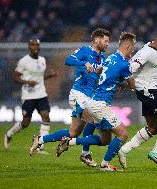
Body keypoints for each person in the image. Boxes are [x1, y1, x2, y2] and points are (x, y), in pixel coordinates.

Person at [56, 32, 136, 172]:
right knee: (123, 134)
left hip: (93, 102)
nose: (133, 50)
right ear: (128, 46)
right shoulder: (124, 64)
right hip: (100, 105)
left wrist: (117, 83)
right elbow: (133, 86)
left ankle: (71, 141)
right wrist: (128, 84)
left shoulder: (109, 58)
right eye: (133, 47)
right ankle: (104, 165)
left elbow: (99, 72)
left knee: (105, 140)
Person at [29, 28, 110, 167]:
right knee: (95, 118)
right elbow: (68, 60)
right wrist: (83, 63)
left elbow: (98, 77)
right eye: (106, 41)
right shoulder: (85, 50)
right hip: (79, 94)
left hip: (89, 96)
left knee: (73, 132)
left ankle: (40, 139)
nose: (108, 44)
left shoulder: (102, 58)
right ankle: (85, 153)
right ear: (96, 39)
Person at [118, 28, 157, 168]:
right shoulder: (147, 52)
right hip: (149, 91)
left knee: (153, 128)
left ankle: (124, 150)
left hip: (150, 90)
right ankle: (156, 151)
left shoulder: (154, 48)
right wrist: (121, 81)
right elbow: (130, 67)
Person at [4, 39, 57, 153]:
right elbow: (15, 77)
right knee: (25, 123)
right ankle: (9, 134)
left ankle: (40, 145)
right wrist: (27, 82)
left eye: (37, 45)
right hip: (28, 96)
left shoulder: (43, 60)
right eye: (33, 45)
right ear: (29, 47)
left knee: (46, 116)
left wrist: (49, 75)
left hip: (41, 94)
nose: (35, 47)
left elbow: (39, 78)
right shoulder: (24, 61)